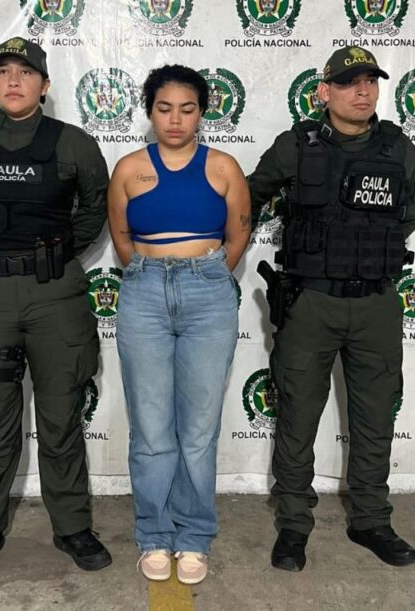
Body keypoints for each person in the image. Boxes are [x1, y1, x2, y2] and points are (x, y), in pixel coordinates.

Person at [248, 46, 415, 571]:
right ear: (325, 92)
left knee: (375, 417)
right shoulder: (296, 145)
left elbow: (410, 211)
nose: (363, 91)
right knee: (298, 416)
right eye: (349, 83)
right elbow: (248, 197)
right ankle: (293, 524)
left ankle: (371, 519)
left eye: (371, 81)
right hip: (311, 303)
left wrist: (361, 251)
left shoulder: (396, 147)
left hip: (375, 303)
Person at [0, 37, 111, 578]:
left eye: (25, 72)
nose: (13, 81)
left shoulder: (74, 144)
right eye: (3, 72)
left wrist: (54, 256)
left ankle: (73, 527)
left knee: (61, 419)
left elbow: (95, 209)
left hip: (55, 296)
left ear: (44, 84)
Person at [107, 65, 251, 585]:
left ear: (202, 113)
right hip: (143, 294)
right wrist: (155, 273)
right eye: (164, 109)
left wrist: (202, 274)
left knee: (198, 429)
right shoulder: (128, 169)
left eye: (187, 109)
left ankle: (194, 536)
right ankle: (154, 533)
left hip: (208, 296)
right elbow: (122, 239)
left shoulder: (224, 167)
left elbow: (238, 235)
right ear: (150, 112)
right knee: (150, 428)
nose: (175, 119)